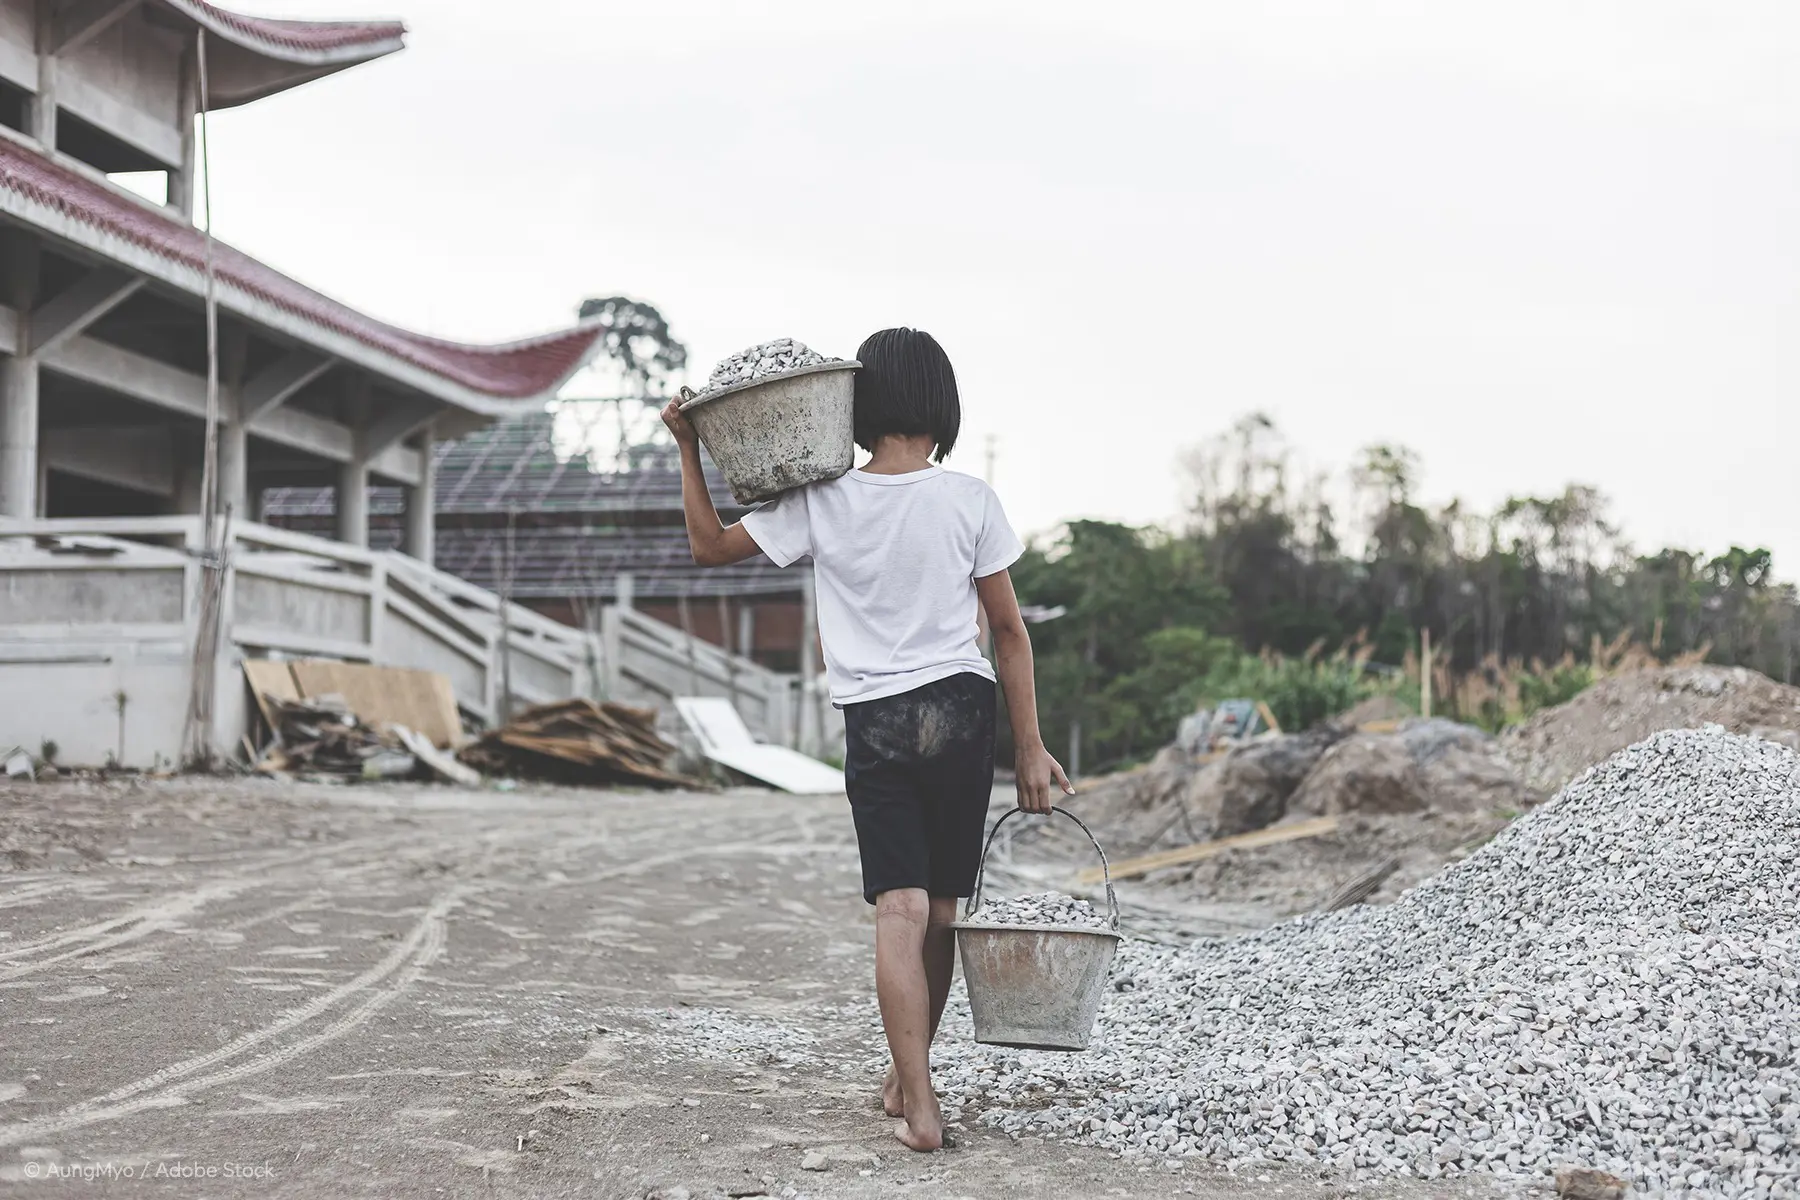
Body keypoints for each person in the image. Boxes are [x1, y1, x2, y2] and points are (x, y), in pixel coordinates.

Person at [661, 327, 1071, 1152]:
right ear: (943, 407)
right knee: (944, 913)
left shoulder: (822, 499)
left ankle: (914, 1100)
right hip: (961, 710)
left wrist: (687, 445)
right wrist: (1029, 746)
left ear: (855, 404)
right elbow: (1009, 632)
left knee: (900, 909)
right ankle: (912, 1081)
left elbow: (707, 547)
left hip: (878, 717)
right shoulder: (971, 499)